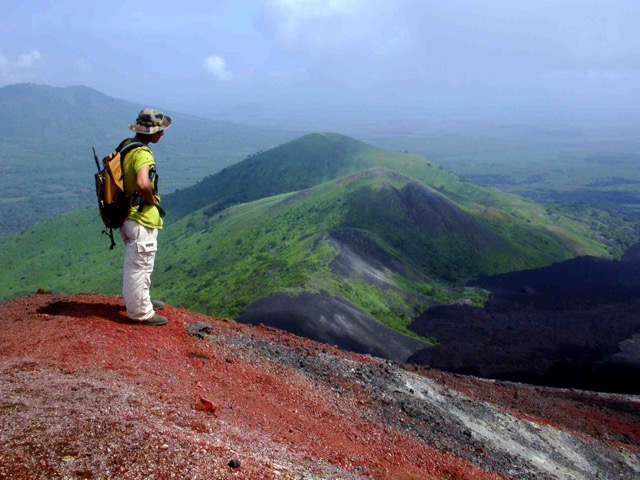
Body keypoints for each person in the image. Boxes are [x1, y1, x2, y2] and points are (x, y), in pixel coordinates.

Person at [120, 108, 172, 326]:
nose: (161, 134)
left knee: (138, 264)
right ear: (149, 132)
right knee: (140, 265)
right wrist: (151, 200)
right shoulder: (142, 153)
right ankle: (140, 312)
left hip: (126, 214)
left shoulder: (127, 146)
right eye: (159, 131)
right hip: (140, 217)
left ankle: (140, 300)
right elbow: (142, 183)